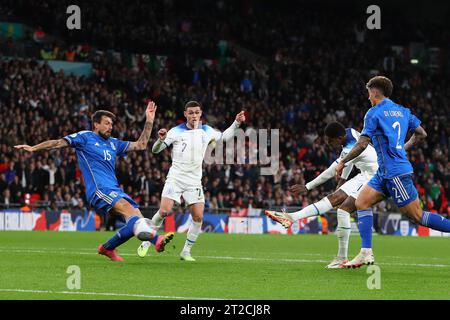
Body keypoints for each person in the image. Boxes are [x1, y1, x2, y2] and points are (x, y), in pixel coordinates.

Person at [14, 102, 174, 262]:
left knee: (135, 219)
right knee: (131, 214)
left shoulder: (113, 143)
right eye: (106, 123)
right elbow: (57, 143)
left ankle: (107, 248)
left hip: (114, 189)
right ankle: (157, 240)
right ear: (96, 124)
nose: (110, 127)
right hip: (99, 189)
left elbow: (141, 145)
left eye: (112, 124)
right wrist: (34, 148)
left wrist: (149, 121)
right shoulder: (85, 137)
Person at [336, 75, 450, 268]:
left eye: (368, 94)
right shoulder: (403, 111)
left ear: (374, 92)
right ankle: (366, 252)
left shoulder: (373, 113)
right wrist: (402, 148)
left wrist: (342, 161)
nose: (368, 98)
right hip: (385, 172)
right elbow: (422, 134)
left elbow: (362, 143)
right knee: (362, 202)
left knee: (417, 216)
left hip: (395, 173)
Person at [137, 100, 246, 261]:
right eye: (191, 112)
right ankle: (147, 240)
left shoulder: (206, 130)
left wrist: (236, 123)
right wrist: (161, 140)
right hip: (176, 178)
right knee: (164, 211)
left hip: (194, 181)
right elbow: (155, 150)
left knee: (198, 217)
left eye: (197, 112)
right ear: (185, 114)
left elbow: (224, 137)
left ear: (200, 113)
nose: (194, 115)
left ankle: (186, 251)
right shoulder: (175, 131)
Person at [265, 122, 378, 268]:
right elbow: (349, 161)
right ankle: (292, 218)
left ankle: (292, 218)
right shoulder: (350, 133)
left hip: (375, 176)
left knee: (343, 209)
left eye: (331, 140)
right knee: (336, 203)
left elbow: (332, 170)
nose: (328, 143)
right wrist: (342, 180)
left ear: (340, 137)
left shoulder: (349, 147)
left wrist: (307, 186)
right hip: (365, 174)